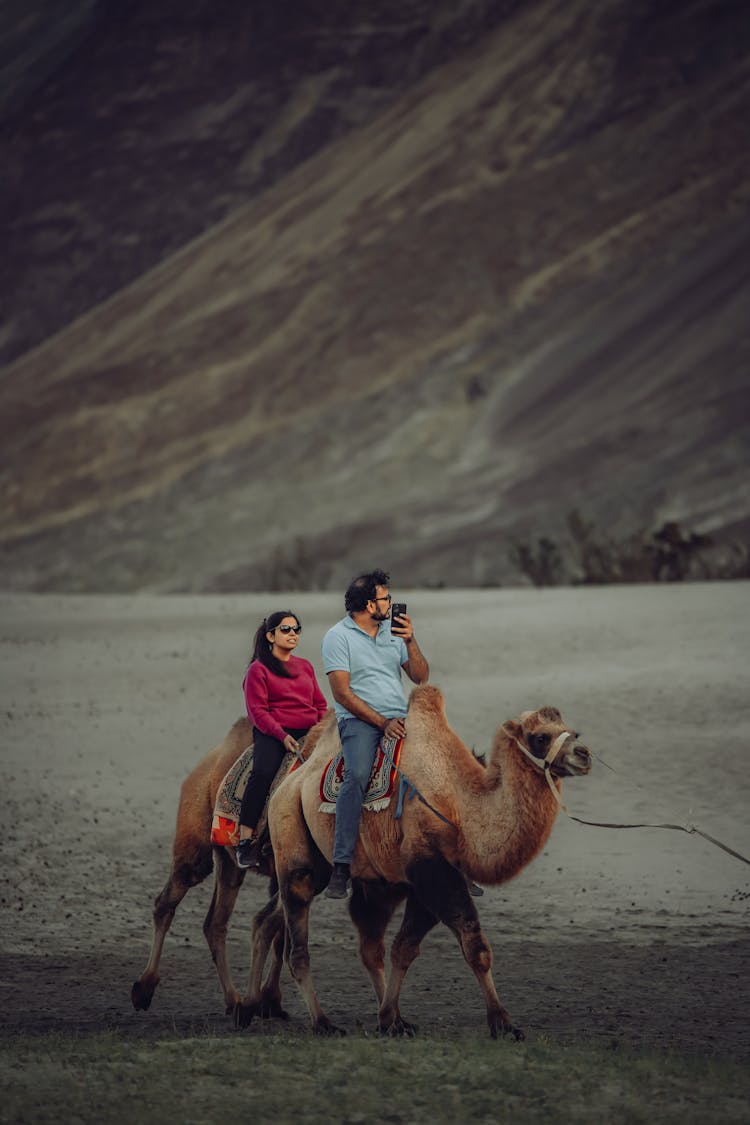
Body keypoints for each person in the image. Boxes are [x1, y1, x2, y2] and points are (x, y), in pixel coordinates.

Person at [321, 569, 429, 898]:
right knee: (357, 774)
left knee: (442, 768)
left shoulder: (393, 633)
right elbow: (341, 694)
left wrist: (410, 640)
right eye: (386, 598)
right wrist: (382, 723)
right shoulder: (337, 637)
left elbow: (421, 676)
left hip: (403, 717)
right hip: (361, 722)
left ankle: (454, 859)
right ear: (370, 604)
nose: (391, 604)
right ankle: (341, 865)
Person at [236, 610, 328, 869]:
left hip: (311, 730)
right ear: (270, 635)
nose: (292, 634)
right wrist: (282, 735)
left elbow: (319, 703)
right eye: (285, 629)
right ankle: (245, 841)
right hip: (273, 732)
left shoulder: (305, 666)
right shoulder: (258, 669)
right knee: (263, 773)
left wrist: (322, 728)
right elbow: (257, 711)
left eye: (296, 629)